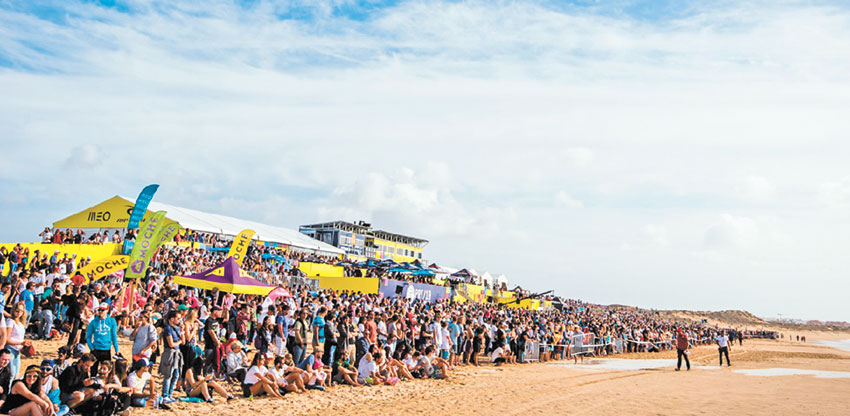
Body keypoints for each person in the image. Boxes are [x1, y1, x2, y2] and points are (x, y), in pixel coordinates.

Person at [86, 304, 119, 377]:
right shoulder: (93, 322)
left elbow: (114, 336)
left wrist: (116, 349)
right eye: (99, 310)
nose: (100, 311)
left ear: (107, 311)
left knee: (106, 371)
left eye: (102, 310)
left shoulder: (111, 321)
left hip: (106, 349)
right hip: (96, 349)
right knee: (93, 371)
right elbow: (88, 336)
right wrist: (91, 347)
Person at [159, 311, 183, 404]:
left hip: (177, 352)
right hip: (170, 353)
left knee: (176, 375)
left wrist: (182, 332)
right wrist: (180, 341)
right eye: (178, 318)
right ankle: (165, 395)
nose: (179, 320)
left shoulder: (176, 329)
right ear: (172, 319)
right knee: (168, 374)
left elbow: (183, 341)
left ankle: (170, 394)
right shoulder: (168, 329)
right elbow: (171, 344)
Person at [5, 302, 31, 380]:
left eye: (21, 311)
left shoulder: (20, 323)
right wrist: (21, 343)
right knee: (11, 374)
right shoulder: (10, 321)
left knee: (16, 374)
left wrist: (24, 343)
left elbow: (19, 338)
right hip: (10, 349)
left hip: (18, 350)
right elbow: (7, 339)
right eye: (17, 310)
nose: (19, 312)